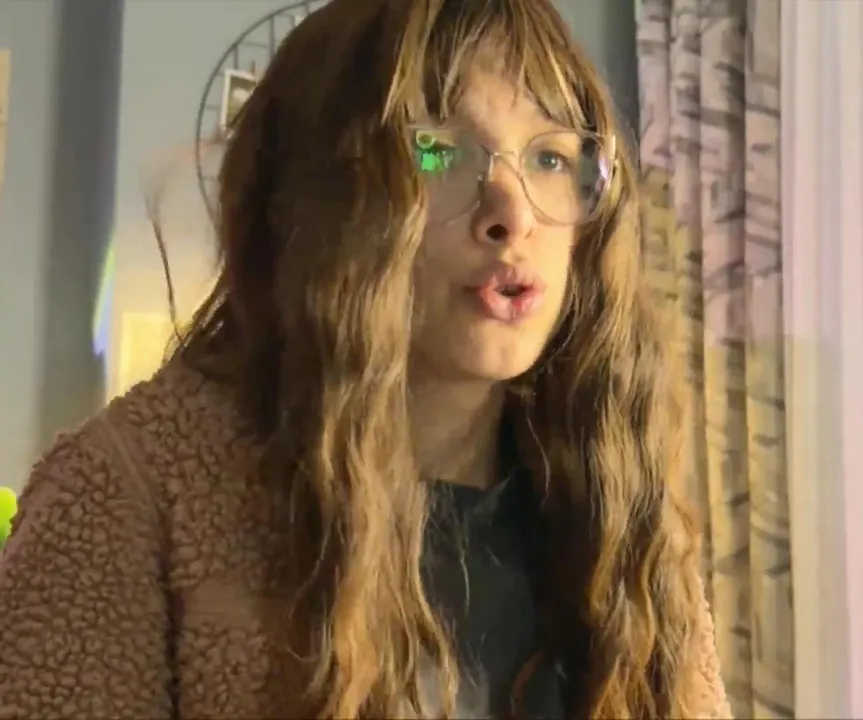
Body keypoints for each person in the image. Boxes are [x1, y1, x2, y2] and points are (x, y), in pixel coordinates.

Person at [0, 0, 731, 717]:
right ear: (319, 198)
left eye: (550, 157)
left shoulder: (616, 502)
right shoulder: (127, 495)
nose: (513, 213)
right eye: (439, 150)